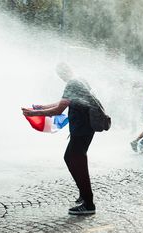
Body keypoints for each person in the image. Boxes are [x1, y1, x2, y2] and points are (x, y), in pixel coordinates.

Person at [22, 63, 96, 215]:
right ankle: (84, 195)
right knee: (75, 159)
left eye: (61, 74)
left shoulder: (72, 83)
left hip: (82, 128)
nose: (61, 77)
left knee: (73, 159)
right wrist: (40, 108)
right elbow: (63, 102)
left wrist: (34, 114)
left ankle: (89, 204)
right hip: (86, 127)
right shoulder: (79, 80)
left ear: (66, 72)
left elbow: (58, 109)